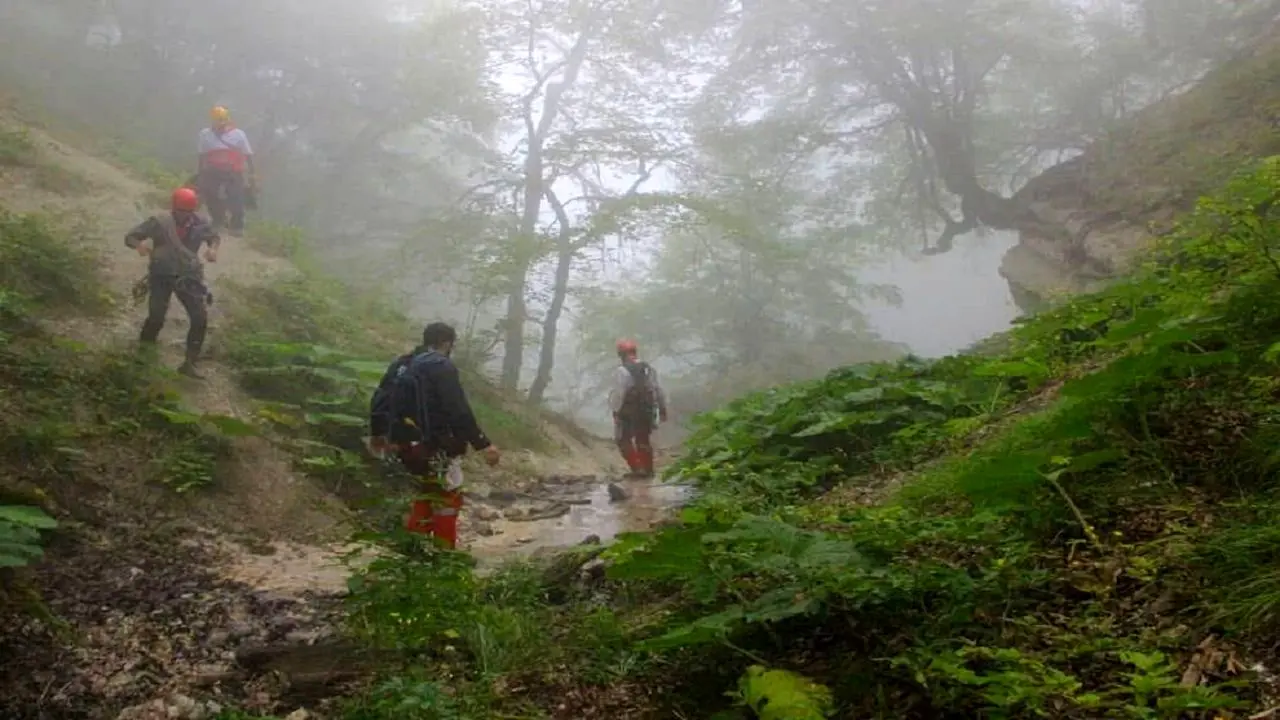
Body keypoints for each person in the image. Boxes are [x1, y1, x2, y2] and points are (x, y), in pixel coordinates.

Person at [368, 322, 501, 548]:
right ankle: (445, 556)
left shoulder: (402, 363)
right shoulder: (440, 366)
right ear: (447, 343)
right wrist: (483, 444)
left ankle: (415, 551)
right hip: (437, 444)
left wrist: (379, 434)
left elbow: (380, 398)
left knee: (425, 491)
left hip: (405, 445)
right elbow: (457, 409)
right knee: (448, 497)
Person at [124, 187, 220, 378]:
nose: (184, 215)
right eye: (181, 211)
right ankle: (143, 357)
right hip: (162, 275)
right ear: (174, 208)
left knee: (199, 318)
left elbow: (214, 237)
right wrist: (139, 245)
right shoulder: (159, 222)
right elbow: (131, 236)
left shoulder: (201, 223)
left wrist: (213, 249)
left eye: (188, 211)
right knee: (156, 316)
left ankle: (190, 363)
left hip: (189, 276)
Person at [609, 339, 667, 478]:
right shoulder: (648, 369)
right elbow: (657, 389)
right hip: (647, 409)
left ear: (621, 354)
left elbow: (619, 393)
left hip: (628, 411)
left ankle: (637, 468)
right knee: (643, 439)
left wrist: (615, 411)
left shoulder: (622, 371)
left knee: (623, 440)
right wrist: (662, 408)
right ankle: (648, 469)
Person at [197, 105, 256, 237]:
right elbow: (202, 155)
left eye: (222, 120)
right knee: (210, 195)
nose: (220, 124)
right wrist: (201, 173)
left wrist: (252, 173)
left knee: (236, 197)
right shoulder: (205, 134)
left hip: (234, 171)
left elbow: (248, 154)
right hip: (213, 170)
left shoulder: (239, 135)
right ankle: (218, 220)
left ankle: (237, 226)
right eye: (218, 120)